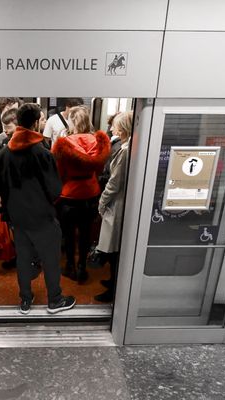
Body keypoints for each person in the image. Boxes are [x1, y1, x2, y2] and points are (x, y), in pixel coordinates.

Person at [0, 103, 76, 315]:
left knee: (23, 259)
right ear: (34, 123)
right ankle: (55, 300)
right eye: (41, 120)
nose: (43, 123)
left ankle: (25, 300)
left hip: (17, 217)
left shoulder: (5, 153)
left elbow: (1, 188)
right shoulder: (42, 154)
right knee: (50, 259)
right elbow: (55, 189)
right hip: (41, 217)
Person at [52, 106, 110, 283]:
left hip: (69, 194)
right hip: (91, 192)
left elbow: (57, 171)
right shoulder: (97, 142)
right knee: (85, 234)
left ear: (72, 121)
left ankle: (70, 266)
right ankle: (82, 268)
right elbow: (99, 169)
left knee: (69, 234)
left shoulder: (64, 143)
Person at [95, 111, 133, 302]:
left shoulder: (125, 151)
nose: (111, 128)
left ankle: (115, 289)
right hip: (119, 201)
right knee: (114, 248)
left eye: (115, 126)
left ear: (123, 129)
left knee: (114, 249)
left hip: (116, 204)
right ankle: (113, 281)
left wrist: (101, 203)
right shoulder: (128, 146)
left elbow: (114, 183)